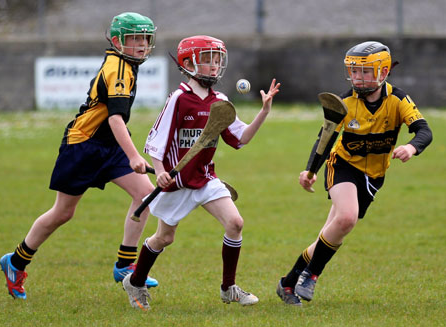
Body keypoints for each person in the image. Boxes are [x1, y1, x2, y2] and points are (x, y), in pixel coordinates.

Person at [0, 12, 160, 300]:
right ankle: (16, 262)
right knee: (63, 212)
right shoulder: (119, 69)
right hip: (82, 146)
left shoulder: (126, 64)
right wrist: (134, 156)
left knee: (145, 194)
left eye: (145, 39)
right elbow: (114, 119)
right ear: (116, 41)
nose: (142, 45)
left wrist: (127, 153)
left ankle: (124, 265)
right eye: (135, 39)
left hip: (107, 147)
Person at [122, 35, 281, 311]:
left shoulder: (220, 101)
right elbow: (156, 141)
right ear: (189, 63)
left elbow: (240, 138)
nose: (215, 66)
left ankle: (228, 288)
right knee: (164, 238)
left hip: (206, 178)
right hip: (177, 182)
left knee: (235, 223)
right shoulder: (179, 99)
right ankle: (135, 281)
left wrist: (264, 112)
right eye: (208, 60)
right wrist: (159, 171)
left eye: (218, 60)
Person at [276, 41, 433, 306]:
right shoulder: (345, 101)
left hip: (374, 176)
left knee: (331, 233)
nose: (358, 78)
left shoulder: (398, 99)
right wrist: (310, 170)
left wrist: (411, 147)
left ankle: (287, 283)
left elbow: (424, 131)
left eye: (365, 71)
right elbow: (324, 139)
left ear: (383, 72)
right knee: (346, 218)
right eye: (354, 71)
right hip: (343, 166)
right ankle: (311, 275)